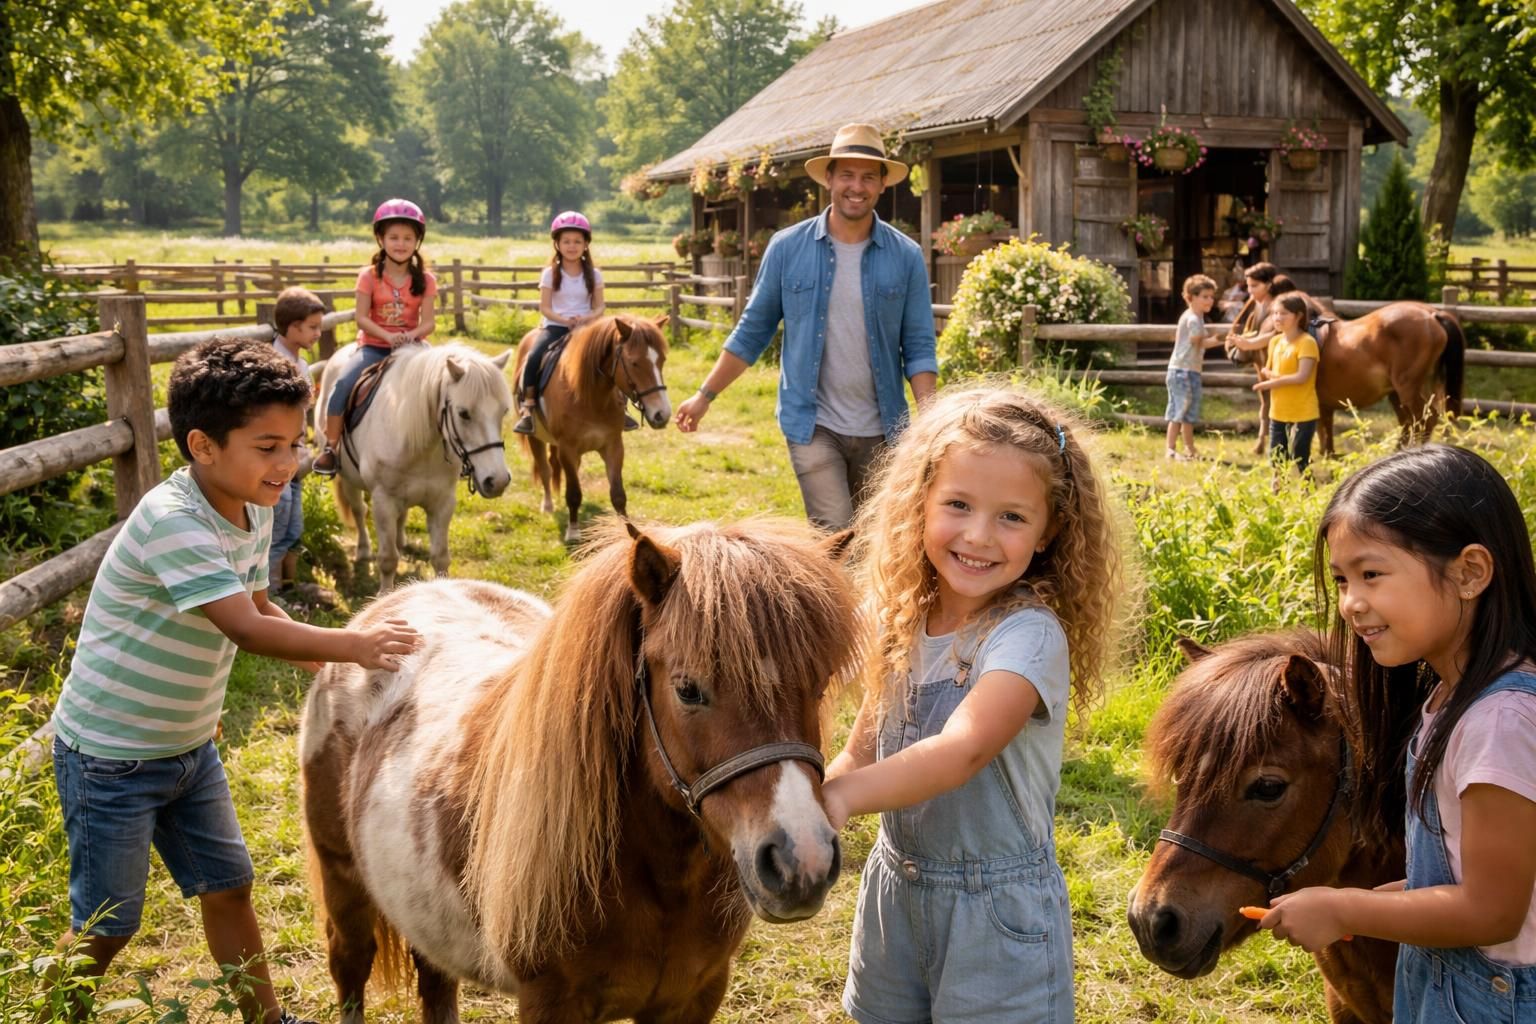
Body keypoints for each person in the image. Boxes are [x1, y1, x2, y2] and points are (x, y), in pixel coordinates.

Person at [48, 338, 421, 1024]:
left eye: (295, 444)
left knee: (230, 887)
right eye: (268, 446)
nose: (289, 463)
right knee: (110, 922)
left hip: (187, 749)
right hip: (111, 756)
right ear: (203, 446)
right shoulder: (173, 523)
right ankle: (52, 1014)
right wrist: (356, 643)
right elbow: (244, 631)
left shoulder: (254, 506)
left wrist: (329, 661)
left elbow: (258, 604)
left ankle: (267, 1020)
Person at [823, 383, 1123, 1023]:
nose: (979, 536)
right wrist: (807, 802)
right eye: (958, 504)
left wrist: (842, 800)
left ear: (1049, 533)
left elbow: (962, 750)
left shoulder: (1028, 636)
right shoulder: (896, 619)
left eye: (1012, 517)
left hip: (997, 913)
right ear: (920, 505)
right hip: (894, 893)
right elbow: (860, 748)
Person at [1253, 444, 1536, 1023]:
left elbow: (1492, 914)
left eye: (1371, 574)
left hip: (1494, 999)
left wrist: (1348, 910)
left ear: (1470, 573)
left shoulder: (1497, 722)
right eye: (1341, 580)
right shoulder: (1450, 696)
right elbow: (1478, 867)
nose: (1352, 604)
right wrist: (1401, 894)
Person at [673, 123, 938, 532]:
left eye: (868, 176)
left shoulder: (906, 256)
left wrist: (930, 423)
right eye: (847, 174)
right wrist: (704, 395)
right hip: (812, 423)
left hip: (884, 428)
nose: (857, 186)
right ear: (828, 178)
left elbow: (919, 344)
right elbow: (752, 331)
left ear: (883, 184)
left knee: (873, 540)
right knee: (834, 530)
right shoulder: (788, 248)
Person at [314, 199, 436, 476]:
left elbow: (428, 322)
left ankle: (448, 448)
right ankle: (331, 448)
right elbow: (362, 318)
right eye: (393, 237)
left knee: (441, 385)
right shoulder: (368, 276)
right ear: (380, 239)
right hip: (373, 347)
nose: (401, 244)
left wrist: (409, 336)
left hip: (413, 348)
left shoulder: (426, 280)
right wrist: (388, 336)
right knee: (342, 385)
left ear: (417, 241)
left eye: (408, 238)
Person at [512, 211, 613, 435]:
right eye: (566, 241)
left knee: (615, 355)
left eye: (578, 241)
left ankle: (620, 405)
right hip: (555, 326)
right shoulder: (550, 274)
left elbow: (600, 307)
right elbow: (545, 307)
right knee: (534, 356)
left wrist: (586, 319)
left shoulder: (594, 275)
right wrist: (565, 320)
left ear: (586, 244)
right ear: (557, 243)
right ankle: (528, 406)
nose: (572, 246)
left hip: (588, 328)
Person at [268, 287, 325, 590]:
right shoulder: (274, 363)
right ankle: (267, 595)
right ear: (292, 327)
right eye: (313, 327)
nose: (319, 333)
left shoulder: (300, 364)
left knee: (293, 528)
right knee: (276, 529)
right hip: (278, 458)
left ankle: (287, 586)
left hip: (296, 457)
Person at [1252, 294, 1319, 477]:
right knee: (1277, 458)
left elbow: (1302, 377)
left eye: (1283, 313)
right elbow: (1267, 369)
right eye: (1274, 313)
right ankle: (1278, 494)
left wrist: (1271, 382)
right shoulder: (1274, 342)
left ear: (1298, 316)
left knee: (1300, 458)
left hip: (1303, 411)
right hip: (1278, 411)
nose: (1277, 318)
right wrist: (1270, 376)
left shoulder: (1307, 342)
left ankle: (1307, 494)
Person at [1165, 273, 1225, 461]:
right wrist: (1217, 338)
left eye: (1211, 297)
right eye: (1205, 297)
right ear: (1191, 297)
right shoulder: (1192, 318)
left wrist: (1217, 339)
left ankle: (1190, 449)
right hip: (1181, 371)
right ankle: (1171, 449)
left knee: (1189, 412)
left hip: (1191, 370)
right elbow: (1196, 341)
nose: (1210, 300)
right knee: (1179, 411)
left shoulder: (1197, 317)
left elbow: (1199, 343)